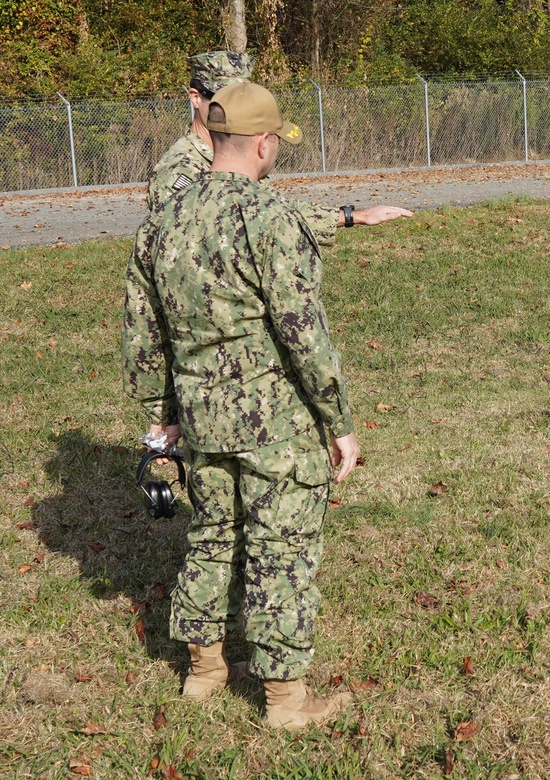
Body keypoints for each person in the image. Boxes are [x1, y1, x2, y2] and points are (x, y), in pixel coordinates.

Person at [123, 81, 362, 730]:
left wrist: (161, 412)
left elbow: (144, 332)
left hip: (202, 420)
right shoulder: (272, 219)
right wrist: (338, 425)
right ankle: (285, 703)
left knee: (212, 537)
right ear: (262, 145)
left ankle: (204, 673)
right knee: (280, 551)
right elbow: (303, 335)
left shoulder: (163, 220)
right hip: (276, 424)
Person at [147, 50, 411, 241]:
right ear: (196, 98)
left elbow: (274, 211)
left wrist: (354, 216)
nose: (236, 108)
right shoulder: (179, 171)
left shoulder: (242, 150)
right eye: (223, 99)